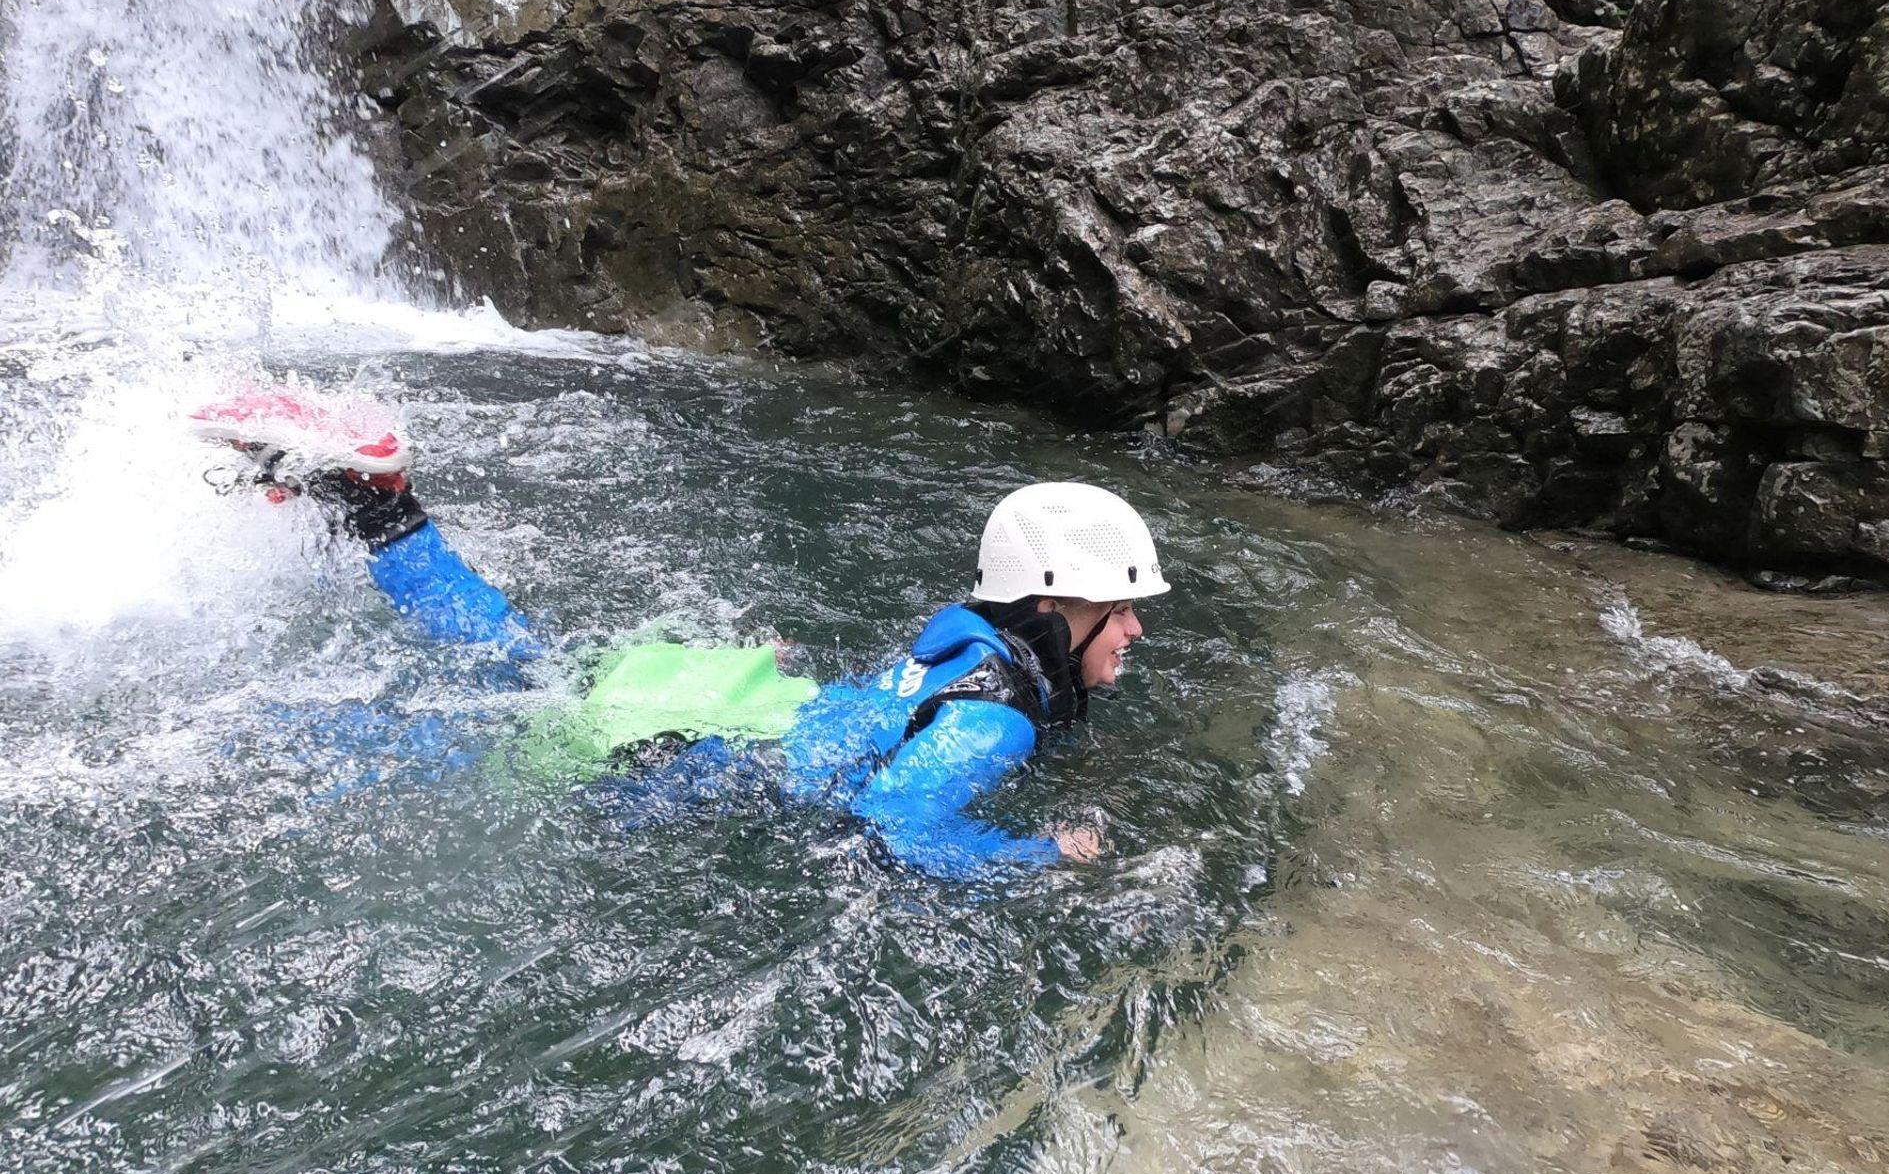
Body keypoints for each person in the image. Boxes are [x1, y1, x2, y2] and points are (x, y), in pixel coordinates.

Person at [197, 395, 1168, 875]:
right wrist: (1044, 854)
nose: (1131, 628)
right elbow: (895, 820)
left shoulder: (973, 640)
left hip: (739, 698)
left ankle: (378, 507)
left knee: (525, 662)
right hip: (706, 750)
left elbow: (888, 719)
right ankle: (260, 737)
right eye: (1117, 607)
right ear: (1051, 608)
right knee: (499, 738)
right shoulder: (1002, 716)